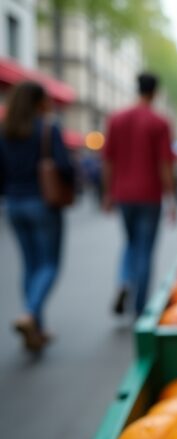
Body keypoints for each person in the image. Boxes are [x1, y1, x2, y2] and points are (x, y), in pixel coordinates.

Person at [0, 81, 75, 351]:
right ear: (38, 101)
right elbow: (64, 166)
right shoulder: (47, 128)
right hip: (44, 203)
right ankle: (30, 314)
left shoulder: (5, 131)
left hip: (14, 205)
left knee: (30, 266)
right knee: (49, 265)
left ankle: (37, 329)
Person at [102, 72, 175, 317]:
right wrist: (172, 198)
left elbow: (108, 160)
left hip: (123, 194)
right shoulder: (159, 122)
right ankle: (139, 306)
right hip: (150, 195)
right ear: (155, 92)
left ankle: (124, 281)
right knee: (145, 249)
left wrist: (108, 192)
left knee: (131, 243)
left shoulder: (116, 119)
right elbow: (165, 163)